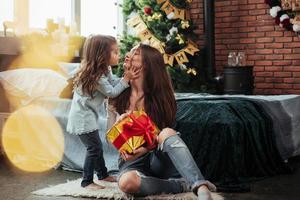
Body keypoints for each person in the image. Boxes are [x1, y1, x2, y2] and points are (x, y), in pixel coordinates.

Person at [108, 44, 217, 200]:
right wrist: (118, 124)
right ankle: (181, 185)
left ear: (147, 63)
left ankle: (200, 186)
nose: (128, 55)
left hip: (158, 157)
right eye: (130, 52)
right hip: (132, 161)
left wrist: (145, 149)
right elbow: (108, 137)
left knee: (167, 132)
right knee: (127, 183)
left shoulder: (161, 96)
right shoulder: (116, 93)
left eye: (135, 53)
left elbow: (159, 137)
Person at [67, 34, 140, 190]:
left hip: (88, 116)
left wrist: (125, 77)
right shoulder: (97, 76)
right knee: (94, 149)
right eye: (114, 52)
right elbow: (112, 92)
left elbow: (113, 82)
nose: (118, 55)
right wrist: (126, 80)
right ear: (102, 54)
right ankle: (86, 181)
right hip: (82, 118)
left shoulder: (105, 69)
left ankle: (102, 175)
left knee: (96, 147)